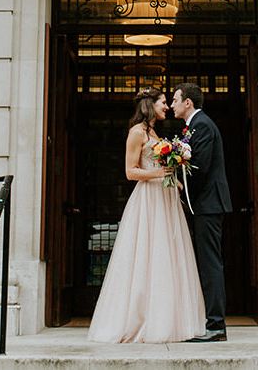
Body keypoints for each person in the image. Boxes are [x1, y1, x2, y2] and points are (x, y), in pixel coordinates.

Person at [88, 87, 205, 344]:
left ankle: (167, 318)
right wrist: (159, 174)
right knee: (147, 253)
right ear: (150, 105)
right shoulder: (136, 133)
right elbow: (131, 172)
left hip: (165, 198)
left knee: (167, 254)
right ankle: (140, 320)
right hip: (148, 199)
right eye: (164, 102)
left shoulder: (154, 133)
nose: (167, 107)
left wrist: (174, 177)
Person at [171, 82, 232, 342]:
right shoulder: (193, 126)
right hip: (204, 204)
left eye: (175, 99)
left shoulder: (203, 125)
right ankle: (211, 322)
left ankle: (216, 325)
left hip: (209, 204)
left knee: (210, 264)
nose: (172, 104)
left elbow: (199, 167)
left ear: (188, 103)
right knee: (207, 263)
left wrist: (180, 185)